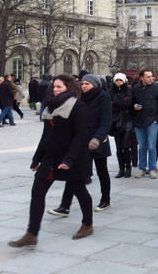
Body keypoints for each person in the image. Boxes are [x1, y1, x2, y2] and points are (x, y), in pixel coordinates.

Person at [8, 74, 94, 247]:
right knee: (37, 192)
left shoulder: (78, 106)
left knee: (79, 189)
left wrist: (69, 159)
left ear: (69, 88)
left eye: (59, 87)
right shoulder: (50, 108)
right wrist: (36, 159)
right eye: (54, 86)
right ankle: (31, 234)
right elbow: (46, 135)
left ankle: (87, 224)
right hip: (51, 157)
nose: (54, 89)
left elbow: (81, 136)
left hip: (72, 157)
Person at [49, 74, 113, 216]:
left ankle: (105, 199)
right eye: (82, 83)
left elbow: (106, 121)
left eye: (87, 84)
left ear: (95, 85)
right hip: (82, 140)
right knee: (75, 173)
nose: (83, 86)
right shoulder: (79, 98)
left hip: (98, 140)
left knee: (102, 170)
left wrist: (97, 138)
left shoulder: (103, 98)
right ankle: (65, 206)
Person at [132, 69, 158, 178]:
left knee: (151, 146)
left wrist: (156, 120)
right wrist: (134, 106)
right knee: (142, 146)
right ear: (141, 78)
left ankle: (152, 169)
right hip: (138, 121)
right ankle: (142, 168)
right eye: (148, 77)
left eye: (151, 76)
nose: (151, 78)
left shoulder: (157, 89)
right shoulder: (135, 89)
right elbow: (130, 102)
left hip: (152, 121)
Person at [110, 73, 134, 178]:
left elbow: (128, 103)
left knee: (125, 145)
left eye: (120, 80)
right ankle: (121, 168)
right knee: (118, 147)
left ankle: (128, 167)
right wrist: (121, 103)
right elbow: (110, 104)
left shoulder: (128, 90)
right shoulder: (110, 91)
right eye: (117, 81)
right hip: (115, 120)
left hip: (127, 119)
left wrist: (116, 103)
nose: (119, 83)